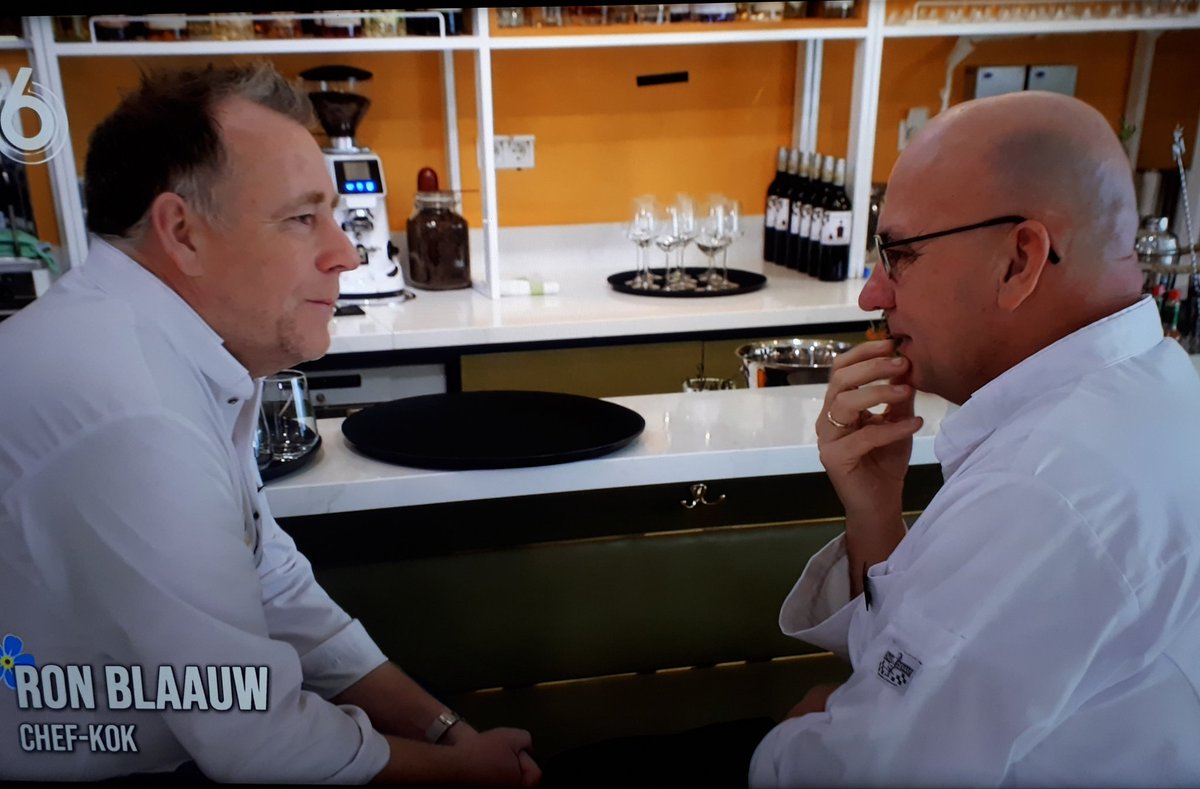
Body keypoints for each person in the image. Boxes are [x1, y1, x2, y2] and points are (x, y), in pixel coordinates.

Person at [0, 63, 540, 785]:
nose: (346, 254)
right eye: (301, 218)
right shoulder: (134, 410)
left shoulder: (174, 347)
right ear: (182, 232)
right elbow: (256, 737)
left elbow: (269, 578)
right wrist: (466, 772)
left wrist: (443, 731)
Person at [749, 90, 1200, 786]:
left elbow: (864, 772)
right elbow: (907, 666)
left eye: (899, 255)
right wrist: (875, 513)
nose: (873, 295)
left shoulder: (1046, 487)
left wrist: (793, 739)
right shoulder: (1156, 387)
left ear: (1019, 260)